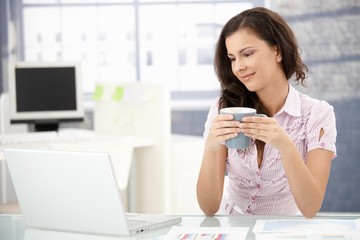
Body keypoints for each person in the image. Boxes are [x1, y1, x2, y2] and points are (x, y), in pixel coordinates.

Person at [196, 7, 337, 218]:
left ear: (277, 51)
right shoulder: (222, 109)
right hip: (233, 228)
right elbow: (208, 208)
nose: (239, 67)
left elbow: (311, 208)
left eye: (247, 54)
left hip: (284, 231)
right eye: (232, 58)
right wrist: (212, 145)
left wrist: (286, 146)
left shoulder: (317, 113)